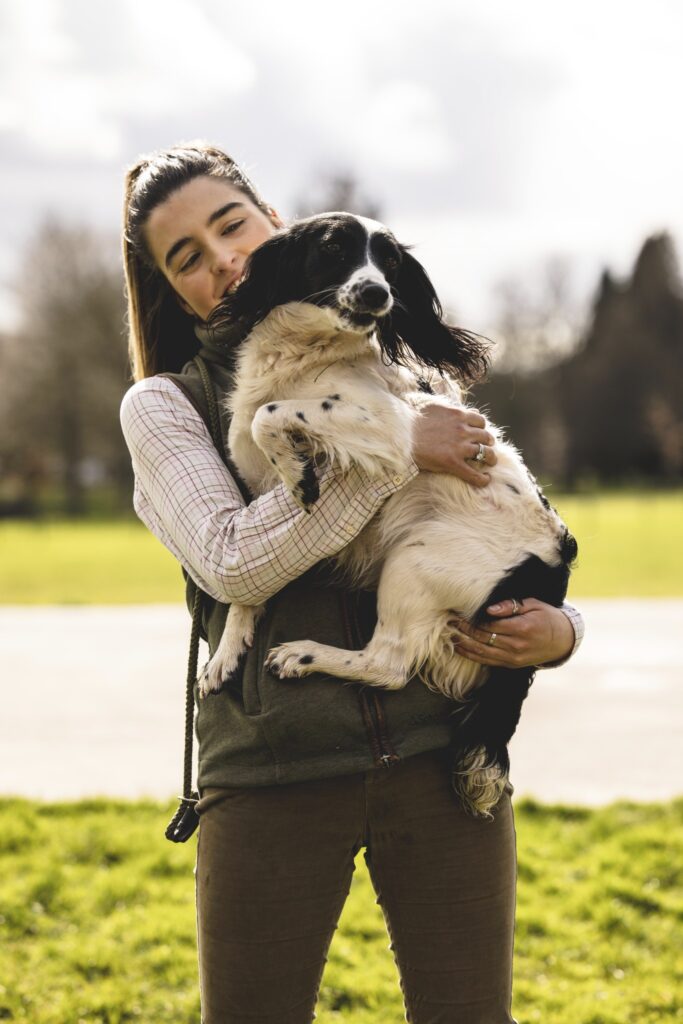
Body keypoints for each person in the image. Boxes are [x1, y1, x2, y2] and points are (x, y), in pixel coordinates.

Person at [120, 143, 584, 1024]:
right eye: (186, 256)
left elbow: (520, 527)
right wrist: (394, 450)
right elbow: (231, 562)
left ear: (273, 226)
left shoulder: (399, 369)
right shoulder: (163, 407)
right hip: (269, 775)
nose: (220, 259)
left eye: (231, 225)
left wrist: (563, 634)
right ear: (169, 288)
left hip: (436, 759)